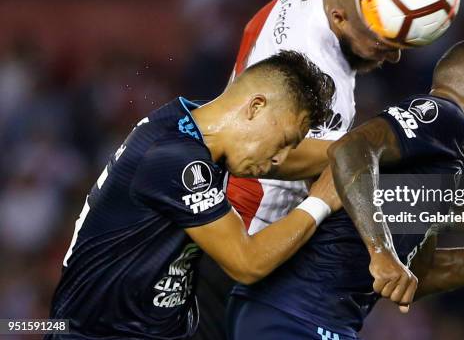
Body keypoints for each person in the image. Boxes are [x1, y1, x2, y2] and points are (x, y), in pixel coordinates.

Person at [226, 37, 464, 339]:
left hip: (298, 317)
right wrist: (381, 252)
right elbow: (349, 150)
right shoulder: (443, 115)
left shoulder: (435, 166)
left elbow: (425, 276)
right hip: (295, 315)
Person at [46, 51, 340, 339]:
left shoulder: (195, 126)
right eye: (285, 141)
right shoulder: (175, 157)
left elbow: (303, 159)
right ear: (255, 107)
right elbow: (247, 263)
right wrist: (321, 200)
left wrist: (365, 145)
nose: (281, 158)